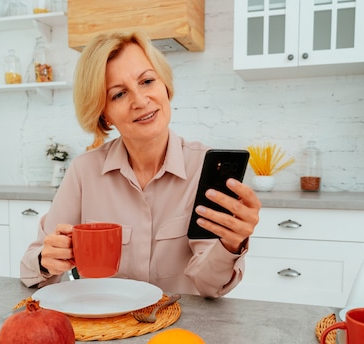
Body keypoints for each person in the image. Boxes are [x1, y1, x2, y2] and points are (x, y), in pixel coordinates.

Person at [20, 30, 261, 297]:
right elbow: (31, 273)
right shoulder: (84, 171)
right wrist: (46, 260)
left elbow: (210, 287)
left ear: (165, 87)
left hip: (179, 332)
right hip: (105, 330)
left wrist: (230, 245)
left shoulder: (203, 169)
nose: (140, 100)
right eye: (119, 94)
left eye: (147, 81)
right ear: (104, 114)